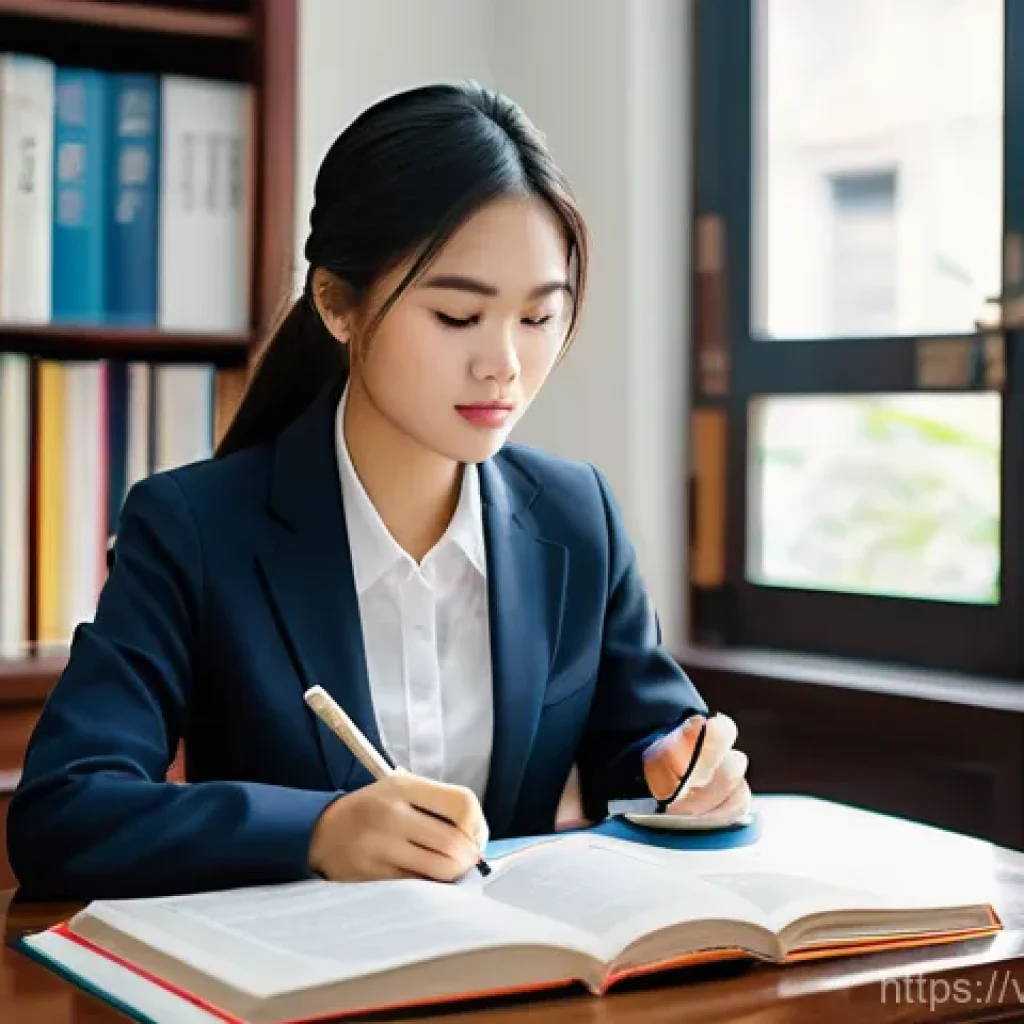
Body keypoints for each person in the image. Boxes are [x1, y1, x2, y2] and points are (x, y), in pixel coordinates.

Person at [7, 82, 750, 901]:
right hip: (288, 968)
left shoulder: (578, 520)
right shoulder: (194, 529)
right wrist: (318, 832)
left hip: (518, 964)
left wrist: (682, 773)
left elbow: (642, 751)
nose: (503, 364)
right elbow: (63, 813)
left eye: (538, 319)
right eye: (457, 316)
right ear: (337, 304)